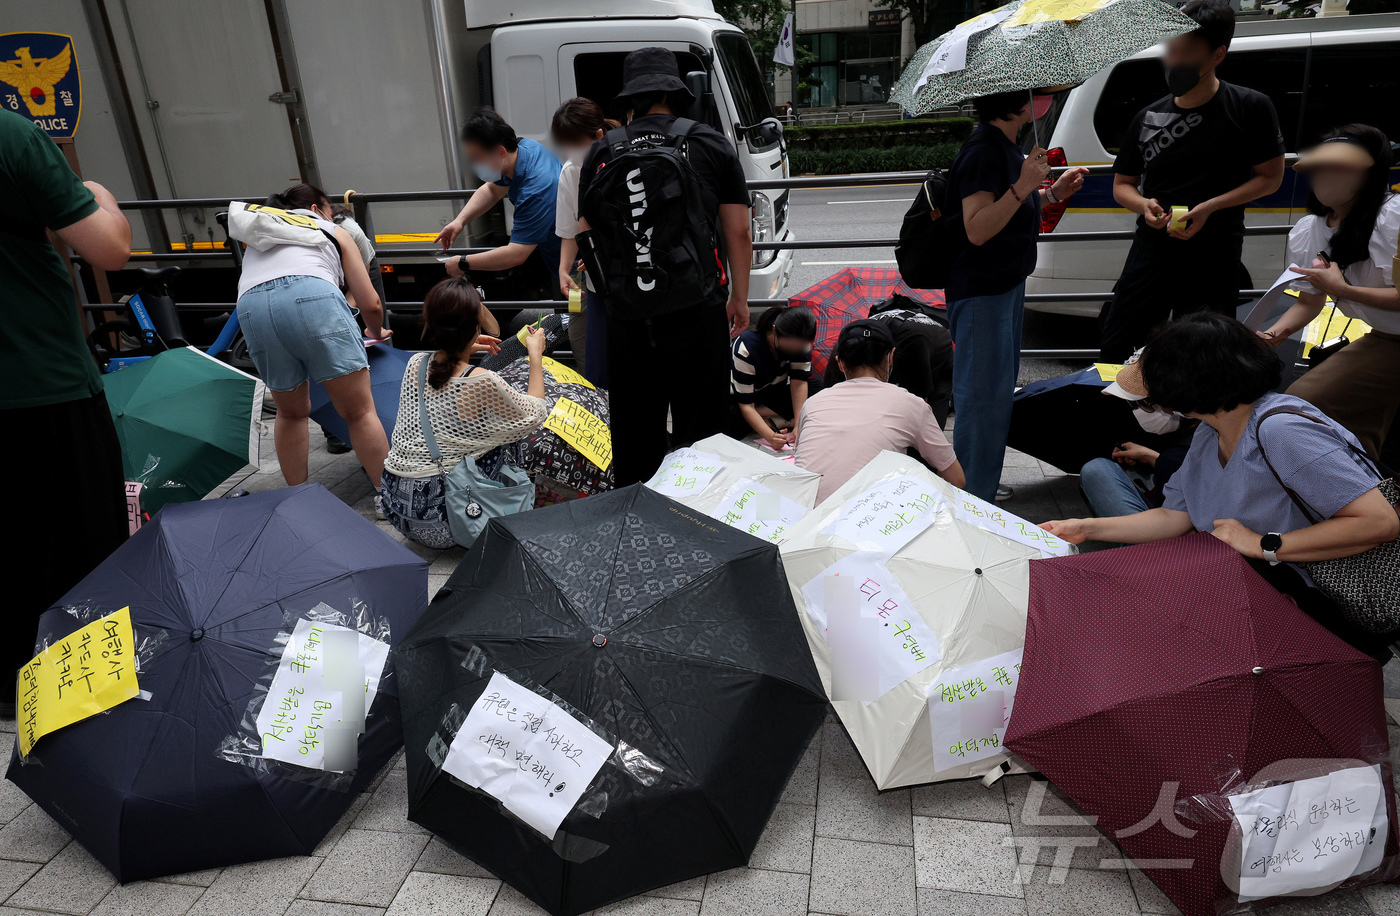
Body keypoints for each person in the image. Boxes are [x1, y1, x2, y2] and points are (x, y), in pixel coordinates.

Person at [1042, 313, 1400, 659]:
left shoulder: (1282, 430)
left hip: (1319, 600)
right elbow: (1175, 516)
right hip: (1261, 585)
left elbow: (1379, 523)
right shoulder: (1210, 430)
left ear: (1186, 388)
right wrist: (1084, 528)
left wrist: (1264, 544)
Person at [0, 109, 132, 716]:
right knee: (79, 550)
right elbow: (108, 249)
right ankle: (79, 700)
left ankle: (12, 691)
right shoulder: (10, 134)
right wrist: (99, 197)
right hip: (41, 382)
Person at [577, 47, 753, 486]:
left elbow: (587, 234)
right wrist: (740, 300)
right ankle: (700, 519)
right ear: (675, 92)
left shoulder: (603, 151)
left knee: (636, 433)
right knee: (703, 431)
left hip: (629, 317)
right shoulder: (710, 143)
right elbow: (739, 233)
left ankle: (641, 523)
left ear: (630, 99)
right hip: (697, 309)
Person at [1099, 0, 1285, 363]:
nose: (1175, 60)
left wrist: (1212, 206)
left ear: (1218, 54)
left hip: (1215, 249)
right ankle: (1123, 414)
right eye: (1171, 49)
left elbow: (1270, 178)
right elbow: (1122, 184)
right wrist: (1144, 206)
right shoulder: (1148, 115)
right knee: (1120, 340)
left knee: (1206, 351)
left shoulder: (1251, 107)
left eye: (1187, 52)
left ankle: (1196, 421)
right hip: (1152, 246)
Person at [944, 89, 1088, 502]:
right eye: (1038, 94)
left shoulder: (1006, 146)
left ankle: (980, 482)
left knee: (995, 393)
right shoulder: (982, 152)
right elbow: (977, 228)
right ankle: (971, 495)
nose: (1042, 100)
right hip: (982, 291)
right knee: (981, 398)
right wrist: (1024, 185)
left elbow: (1013, 210)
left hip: (1004, 285)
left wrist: (1052, 193)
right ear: (1018, 103)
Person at [235, 183, 391, 500]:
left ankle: (299, 500)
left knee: (290, 413)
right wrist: (375, 331)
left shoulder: (258, 235)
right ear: (318, 209)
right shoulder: (330, 229)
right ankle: (388, 499)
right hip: (312, 297)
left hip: (252, 309)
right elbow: (371, 303)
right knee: (359, 412)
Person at [1258, 125, 1400, 462]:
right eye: (1319, 166)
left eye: (1340, 167)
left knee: (1305, 401)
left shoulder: (1392, 217)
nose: (1326, 176)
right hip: (1386, 338)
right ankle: (1381, 502)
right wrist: (1273, 334)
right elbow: (1309, 300)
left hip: (1389, 343)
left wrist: (1341, 289)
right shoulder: (1312, 229)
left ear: (1371, 172)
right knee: (1359, 435)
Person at [381, 278, 549, 548]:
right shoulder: (480, 379)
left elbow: (445, 381)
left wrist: (465, 346)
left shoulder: (415, 364)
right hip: (451, 519)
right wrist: (535, 354)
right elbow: (535, 413)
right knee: (511, 436)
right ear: (475, 327)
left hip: (400, 511)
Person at [796, 320, 965, 504]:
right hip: (869, 521)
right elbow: (956, 479)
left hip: (801, 520)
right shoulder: (910, 404)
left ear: (840, 363)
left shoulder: (812, 403)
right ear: (890, 358)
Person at [435, 108, 563, 289]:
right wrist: (460, 221)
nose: (474, 165)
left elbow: (516, 254)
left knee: (583, 315)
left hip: (579, 268)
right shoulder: (526, 148)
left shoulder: (536, 189)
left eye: (477, 158)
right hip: (564, 260)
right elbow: (492, 190)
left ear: (500, 151)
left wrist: (463, 262)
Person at [1077, 352, 1193, 529]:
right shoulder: (1204, 432)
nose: (1139, 410)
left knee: (1096, 470)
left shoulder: (1181, 453)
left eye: (1145, 403)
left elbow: (1173, 525)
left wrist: (1086, 529)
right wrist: (1153, 457)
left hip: (1171, 540)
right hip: (1175, 523)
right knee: (1097, 468)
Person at [552, 98, 616, 387]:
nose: (570, 151)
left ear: (598, 136)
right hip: (592, 280)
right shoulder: (571, 171)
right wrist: (564, 270)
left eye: (575, 142)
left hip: (628, 281)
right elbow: (569, 228)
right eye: (564, 143)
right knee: (590, 353)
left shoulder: (621, 159)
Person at [730, 305, 818, 449]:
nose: (796, 352)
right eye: (790, 347)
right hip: (740, 399)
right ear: (775, 331)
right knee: (731, 418)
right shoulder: (745, 348)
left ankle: (771, 421)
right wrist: (770, 437)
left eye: (801, 347)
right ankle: (769, 421)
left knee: (818, 389)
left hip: (771, 395)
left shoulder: (801, 344)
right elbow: (746, 405)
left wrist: (799, 425)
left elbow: (799, 382)